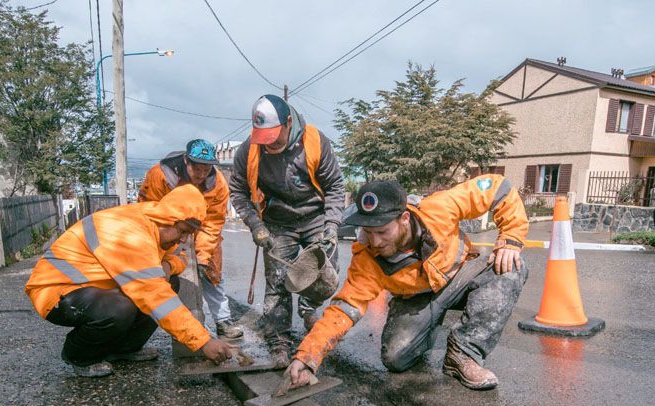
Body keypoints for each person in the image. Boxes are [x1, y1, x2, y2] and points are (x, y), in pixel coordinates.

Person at [286, 177, 529, 390]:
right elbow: (345, 308)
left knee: (510, 268)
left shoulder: (438, 208)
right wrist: (307, 358)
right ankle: (428, 327)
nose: (375, 241)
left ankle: (464, 353)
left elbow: (499, 187)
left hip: (459, 279)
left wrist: (511, 238)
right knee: (395, 358)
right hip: (416, 299)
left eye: (382, 231)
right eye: (368, 232)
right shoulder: (367, 257)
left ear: (404, 218)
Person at [25, 185, 236, 377]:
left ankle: (123, 349)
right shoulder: (129, 232)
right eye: (182, 232)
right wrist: (203, 342)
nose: (182, 239)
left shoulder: (155, 223)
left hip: (94, 286)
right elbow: (154, 296)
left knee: (169, 282)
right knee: (122, 306)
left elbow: (181, 256)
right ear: (169, 218)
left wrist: (168, 266)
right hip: (56, 291)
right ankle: (79, 355)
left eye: (187, 234)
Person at [230, 94, 344, 368]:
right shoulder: (250, 149)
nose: (269, 144)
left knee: (326, 271)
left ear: (288, 122)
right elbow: (237, 191)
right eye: (263, 137)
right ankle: (279, 340)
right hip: (278, 220)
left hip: (315, 215)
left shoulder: (315, 142)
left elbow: (335, 187)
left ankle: (308, 307)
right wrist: (256, 225)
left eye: (274, 136)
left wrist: (332, 225)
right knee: (278, 282)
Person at [139, 139, 243, 340]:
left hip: (201, 229)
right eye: (197, 169)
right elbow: (149, 209)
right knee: (167, 273)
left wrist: (203, 256)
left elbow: (213, 222)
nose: (202, 175)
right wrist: (163, 240)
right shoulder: (160, 176)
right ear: (186, 161)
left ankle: (223, 320)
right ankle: (178, 324)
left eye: (207, 169)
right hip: (169, 229)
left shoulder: (218, 183)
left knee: (213, 272)